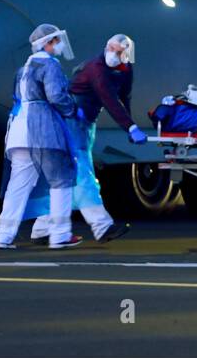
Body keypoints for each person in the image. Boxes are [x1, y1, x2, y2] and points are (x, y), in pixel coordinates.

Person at [29, 33, 143, 245]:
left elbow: (123, 97)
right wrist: (130, 126)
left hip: (85, 124)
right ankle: (102, 226)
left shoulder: (126, 70)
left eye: (119, 51)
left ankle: (43, 228)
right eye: (111, 48)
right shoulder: (95, 68)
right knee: (82, 175)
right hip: (71, 122)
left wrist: (129, 125)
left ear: (126, 53)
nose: (113, 54)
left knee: (69, 180)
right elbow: (108, 99)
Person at [0, 24, 82, 250]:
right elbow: (56, 96)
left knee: (18, 185)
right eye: (56, 41)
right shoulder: (50, 65)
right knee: (61, 180)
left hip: (18, 132)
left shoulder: (23, 68)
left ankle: (3, 236)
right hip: (43, 131)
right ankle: (60, 234)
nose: (59, 45)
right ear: (47, 43)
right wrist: (73, 110)